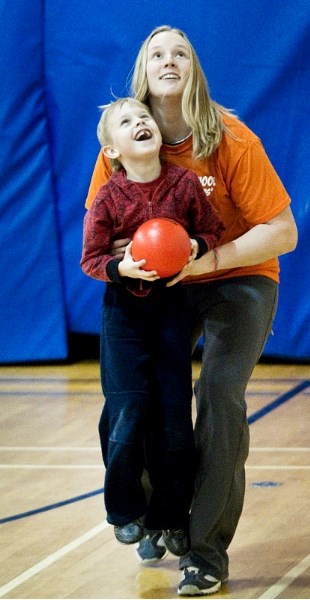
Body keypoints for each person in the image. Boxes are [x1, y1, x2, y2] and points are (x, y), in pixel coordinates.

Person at [85, 27, 298, 596]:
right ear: (144, 72)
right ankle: (159, 513)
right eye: (157, 52)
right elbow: (99, 242)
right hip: (164, 285)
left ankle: (205, 551)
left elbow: (284, 232)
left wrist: (204, 264)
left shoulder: (230, 138)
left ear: (194, 70)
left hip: (237, 277)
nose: (169, 59)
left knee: (219, 397)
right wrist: (124, 265)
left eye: (181, 51)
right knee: (139, 396)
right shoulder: (125, 142)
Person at [81, 98, 225, 557]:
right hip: (123, 315)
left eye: (144, 117)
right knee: (127, 412)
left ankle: (170, 517)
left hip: (169, 312)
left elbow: (212, 230)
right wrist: (122, 269)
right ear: (112, 151)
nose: (141, 122)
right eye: (127, 121)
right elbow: (91, 259)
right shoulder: (107, 196)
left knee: (173, 422)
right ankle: (126, 510)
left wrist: (192, 247)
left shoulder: (183, 183)